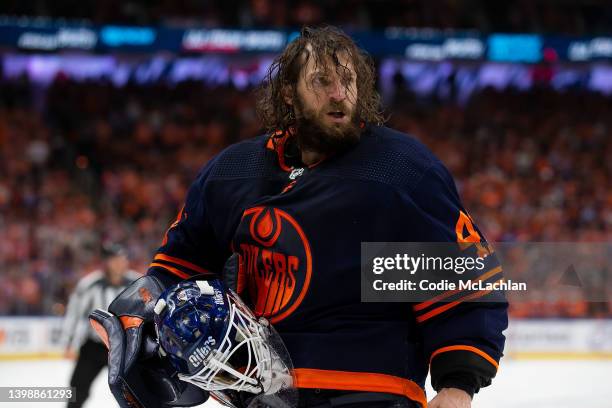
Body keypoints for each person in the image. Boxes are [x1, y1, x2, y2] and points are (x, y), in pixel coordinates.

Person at [92, 25, 507, 408]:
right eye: (322, 81)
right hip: (260, 393)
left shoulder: (400, 169)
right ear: (289, 92)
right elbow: (180, 264)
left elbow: (464, 278)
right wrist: (145, 317)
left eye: (349, 81)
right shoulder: (232, 171)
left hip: (372, 393)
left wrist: (457, 386)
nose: (340, 93)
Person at [61, 243, 140, 408]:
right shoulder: (90, 284)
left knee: (136, 392)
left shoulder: (136, 283)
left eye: (122, 259)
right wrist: (69, 343)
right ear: (106, 262)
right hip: (95, 346)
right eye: (115, 259)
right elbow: (75, 314)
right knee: (77, 387)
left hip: (127, 348)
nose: (120, 263)